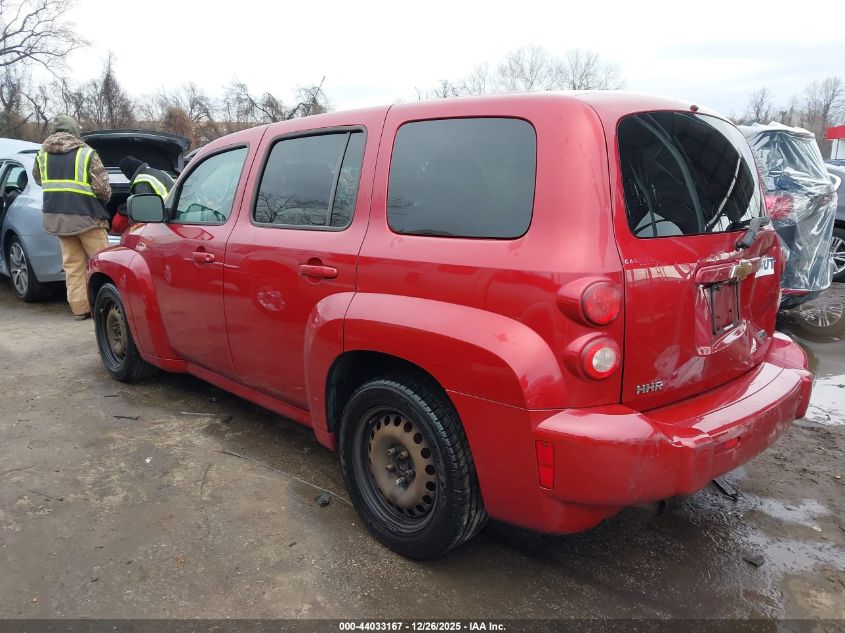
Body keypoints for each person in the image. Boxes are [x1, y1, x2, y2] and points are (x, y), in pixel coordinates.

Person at [33, 115, 111, 320]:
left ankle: (80, 309)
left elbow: (39, 179)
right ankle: (108, 307)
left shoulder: (42, 155)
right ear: (75, 131)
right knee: (104, 264)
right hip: (88, 217)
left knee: (72, 266)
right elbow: (102, 189)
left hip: (59, 220)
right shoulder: (86, 154)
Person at [111, 155, 175, 234]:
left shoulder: (141, 181)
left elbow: (144, 212)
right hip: (175, 217)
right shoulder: (161, 173)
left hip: (162, 223)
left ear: (128, 172)